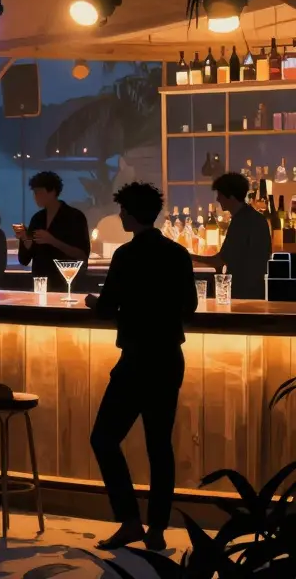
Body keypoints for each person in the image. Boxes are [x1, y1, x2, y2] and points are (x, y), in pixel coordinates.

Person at [84, 183, 197, 552]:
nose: (120, 217)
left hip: (135, 359)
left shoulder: (127, 256)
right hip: (168, 358)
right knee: (158, 447)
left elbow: (106, 307)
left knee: (103, 438)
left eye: (122, 212)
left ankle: (130, 520)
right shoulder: (179, 254)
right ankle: (157, 531)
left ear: (131, 214)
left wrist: (91, 302)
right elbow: (190, 306)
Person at [191, 172, 271, 300]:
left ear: (231, 197)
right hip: (256, 291)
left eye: (220, 195)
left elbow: (219, 260)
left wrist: (188, 256)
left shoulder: (242, 221)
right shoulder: (254, 218)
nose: (217, 199)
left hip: (244, 294)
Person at [14, 171, 91, 291]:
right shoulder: (37, 218)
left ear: (53, 192)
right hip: (40, 282)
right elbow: (25, 259)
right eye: (34, 193)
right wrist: (24, 238)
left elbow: (82, 254)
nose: (36, 197)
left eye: (39, 192)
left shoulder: (74, 216)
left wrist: (53, 241)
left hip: (66, 282)